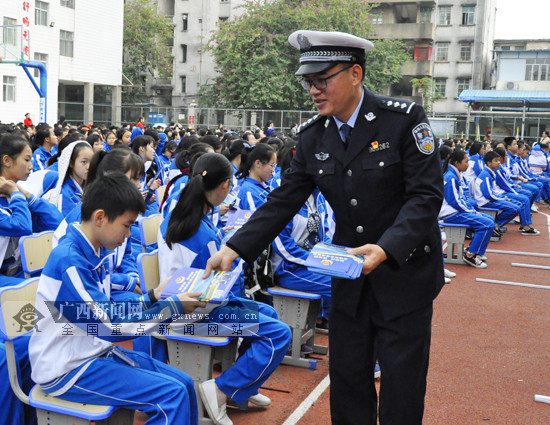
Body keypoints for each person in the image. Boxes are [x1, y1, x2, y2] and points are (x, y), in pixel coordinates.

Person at [205, 30, 445, 425]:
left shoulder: (402, 121)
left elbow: (425, 197)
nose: (314, 90)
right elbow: (284, 200)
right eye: (308, 82)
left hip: (404, 275)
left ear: (355, 73)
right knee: (348, 380)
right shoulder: (313, 135)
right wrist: (235, 248)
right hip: (349, 275)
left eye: (323, 79)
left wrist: (385, 248)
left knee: (402, 387)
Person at [28, 173, 202, 425]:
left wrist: (152, 297)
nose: (129, 234)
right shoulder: (70, 261)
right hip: (66, 369)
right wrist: (171, 308)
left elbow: (108, 310)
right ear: (100, 218)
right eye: (127, 224)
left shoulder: (93, 250)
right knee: (172, 394)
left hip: (92, 353)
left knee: (184, 383)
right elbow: (108, 326)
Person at [158, 153, 291, 425]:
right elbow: (206, 285)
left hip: (196, 306)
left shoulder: (186, 215)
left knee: (268, 312)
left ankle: (241, 387)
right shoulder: (199, 228)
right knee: (278, 334)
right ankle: (220, 390)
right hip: (195, 314)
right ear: (224, 186)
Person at [0, 134, 63, 286]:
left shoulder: (19, 198)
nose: (31, 166)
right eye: (27, 160)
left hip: (19, 273)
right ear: (7, 161)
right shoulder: (15, 199)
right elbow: (22, 226)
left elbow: (58, 224)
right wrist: (16, 194)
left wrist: (28, 196)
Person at [439, 149, 494, 268]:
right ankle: (470, 255)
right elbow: (454, 201)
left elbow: (460, 199)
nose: (468, 164)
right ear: (457, 163)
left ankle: (475, 251)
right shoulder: (451, 177)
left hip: (455, 212)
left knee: (489, 219)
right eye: (466, 161)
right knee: (486, 224)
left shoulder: (454, 175)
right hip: (451, 214)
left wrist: (472, 211)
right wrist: (471, 211)